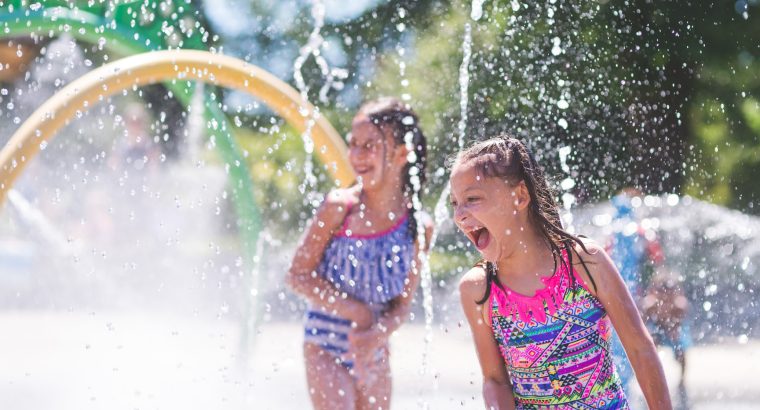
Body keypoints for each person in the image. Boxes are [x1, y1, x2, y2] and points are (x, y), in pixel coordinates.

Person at [451, 136, 671, 409]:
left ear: (519, 196)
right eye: (455, 203)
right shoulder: (479, 290)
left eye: (472, 199)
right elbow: (495, 380)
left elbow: (640, 348)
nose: (459, 215)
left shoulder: (584, 263)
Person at [286, 97, 432, 410]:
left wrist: (377, 333)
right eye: (353, 144)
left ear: (403, 153)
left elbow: (402, 306)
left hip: (374, 349)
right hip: (325, 344)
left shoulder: (418, 226)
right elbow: (297, 275)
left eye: (369, 145)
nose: (356, 155)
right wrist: (356, 311)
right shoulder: (340, 209)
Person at [641, 269, 691, 387]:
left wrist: (674, 330)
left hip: (672, 327)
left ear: (675, 292)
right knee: (649, 347)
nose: (665, 297)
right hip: (657, 327)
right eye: (661, 292)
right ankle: (649, 375)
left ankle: (682, 379)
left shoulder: (679, 305)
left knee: (681, 349)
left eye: (669, 293)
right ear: (655, 292)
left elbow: (681, 322)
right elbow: (642, 324)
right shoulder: (650, 304)